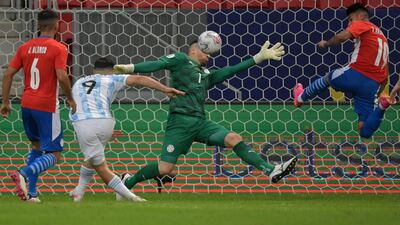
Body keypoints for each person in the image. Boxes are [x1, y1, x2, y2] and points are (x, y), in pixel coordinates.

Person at [113, 38, 297, 192]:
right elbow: (158, 64)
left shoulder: (206, 75)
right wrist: (130, 68)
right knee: (165, 168)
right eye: (207, 53)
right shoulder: (179, 60)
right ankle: (128, 182)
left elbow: (229, 71)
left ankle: (271, 170)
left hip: (201, 124)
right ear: (194, 50)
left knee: (233, 138)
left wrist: (257, 58)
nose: (209, 57)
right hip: (180, 123)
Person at [69, 57, 184, 202]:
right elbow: (139, 79)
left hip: (83, 122)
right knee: (94, 160)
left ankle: (127, 196)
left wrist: (81, 131)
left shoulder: (78, 82)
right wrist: (165, 89)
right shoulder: (111, 79)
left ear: (93, 70)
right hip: (105, 121)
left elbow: (74, 106)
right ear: (112, 71)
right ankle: (81, 193)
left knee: (98, 164)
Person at [0, 9, 76, 202]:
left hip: (27, 104)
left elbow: (8, 74)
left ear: (38, 25)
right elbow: (61, 75)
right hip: (47, 106)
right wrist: (70, 97)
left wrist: (6, 101)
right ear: (57, 25)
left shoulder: (25, 47)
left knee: (36, 146)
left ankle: (31, 192)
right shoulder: (58, 47)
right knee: (55, 154)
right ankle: (23, 173)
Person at [293, 3, 394, 138]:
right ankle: (382, 107)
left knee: (328, 78)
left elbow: (343, 37)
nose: (349, 23)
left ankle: (299, 98)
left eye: (350, 19)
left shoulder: (363, 24)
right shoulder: (382, 37)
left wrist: (326, 43)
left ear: (360, 16)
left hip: (355, 74)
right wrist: (378, 92)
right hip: (372, 85)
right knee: (364, 130)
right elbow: (386, 72)